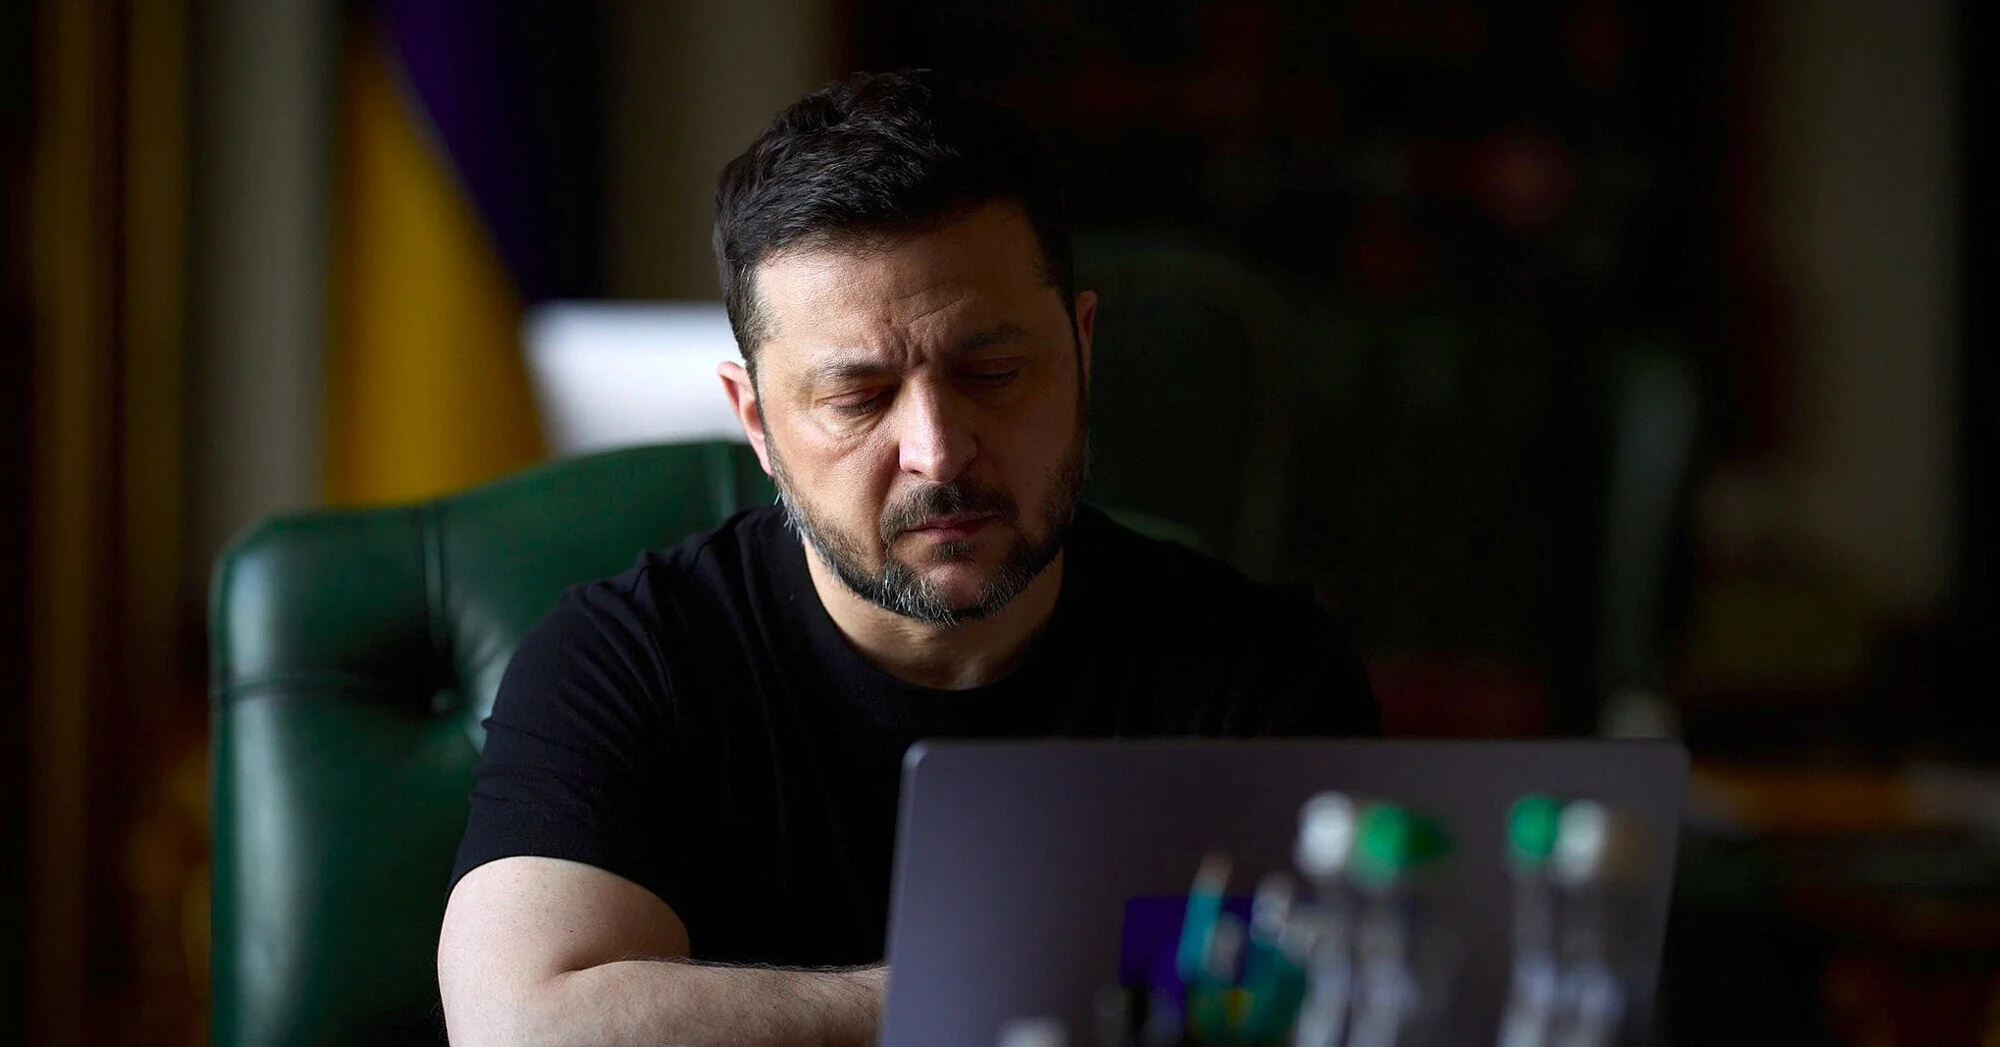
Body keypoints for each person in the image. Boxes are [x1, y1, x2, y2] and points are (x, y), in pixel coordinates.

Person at [437, 69, 1379, 1047]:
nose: (938, 451)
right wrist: (992, 998)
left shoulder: (1261, 671)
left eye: (992, 373)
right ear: (755, 423)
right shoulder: (626, 660)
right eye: (858, 398)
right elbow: (518, 1028)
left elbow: (1369, 1002)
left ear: (1082, 351)